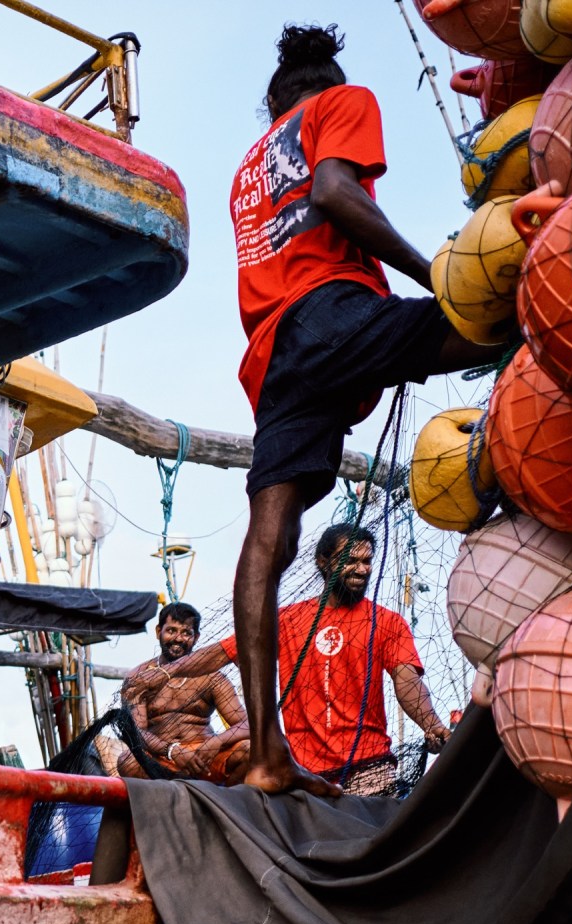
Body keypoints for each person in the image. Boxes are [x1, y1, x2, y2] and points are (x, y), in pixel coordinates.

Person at [224, 24, 504, 795]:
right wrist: (435, 274)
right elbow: (334, 194)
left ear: (272, 104)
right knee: (499, 320)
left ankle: (263, 756)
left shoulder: (248, 169)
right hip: (332, 314)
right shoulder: (341, 102)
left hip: (276, 354)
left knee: (269, 535)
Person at [129, 524, 451, 797]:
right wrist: (164, 672)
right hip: (301, 770)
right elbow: (220, 653)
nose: (362, 569)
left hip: (370, 768)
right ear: (323, 562)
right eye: (351, 560)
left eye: (367, 562)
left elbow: (408, 680)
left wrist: (431, 724)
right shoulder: (288, 620)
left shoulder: (389, 622)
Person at [102, 602, 250, 785]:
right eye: (171, 631)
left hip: (204, 758)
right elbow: (137, 731)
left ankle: (221, 804)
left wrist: (215, 743)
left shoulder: (211, 676)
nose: (178, 638)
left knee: (249, 750)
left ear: (196, 638)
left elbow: (246, 725)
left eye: (186, 632)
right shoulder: (140, 677)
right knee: (128, 761)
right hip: (162, 759)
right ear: (158, 632)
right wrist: (172, 750)